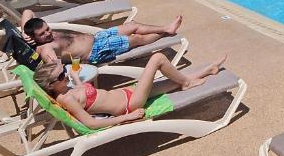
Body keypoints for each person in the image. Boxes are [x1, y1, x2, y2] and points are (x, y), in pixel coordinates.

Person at [34, 52, 227, 129]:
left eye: (63, 71)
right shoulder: (66, 101)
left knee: (173, 81)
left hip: (128, 93)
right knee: (158, 58)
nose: (64, 76)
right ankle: (187, 83)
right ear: (50, 85)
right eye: (60, 76)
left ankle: (208, 70)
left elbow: (80, 92)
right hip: (130, 104)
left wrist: (74, 74)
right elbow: (91, 123)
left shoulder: (65, 89)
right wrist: (127, 117)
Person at [21, 9, 183, 65]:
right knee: (136, 38)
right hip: (96, 51)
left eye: (47, 29)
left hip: (97, 37)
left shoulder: (38, 31)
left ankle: (166, 28)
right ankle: (163, 34)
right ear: (34, 38)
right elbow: (53, 67)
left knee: (133, 25)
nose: (48, 33)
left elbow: (27, 12)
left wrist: (23, 31)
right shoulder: (46, 48)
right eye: (42, 34)